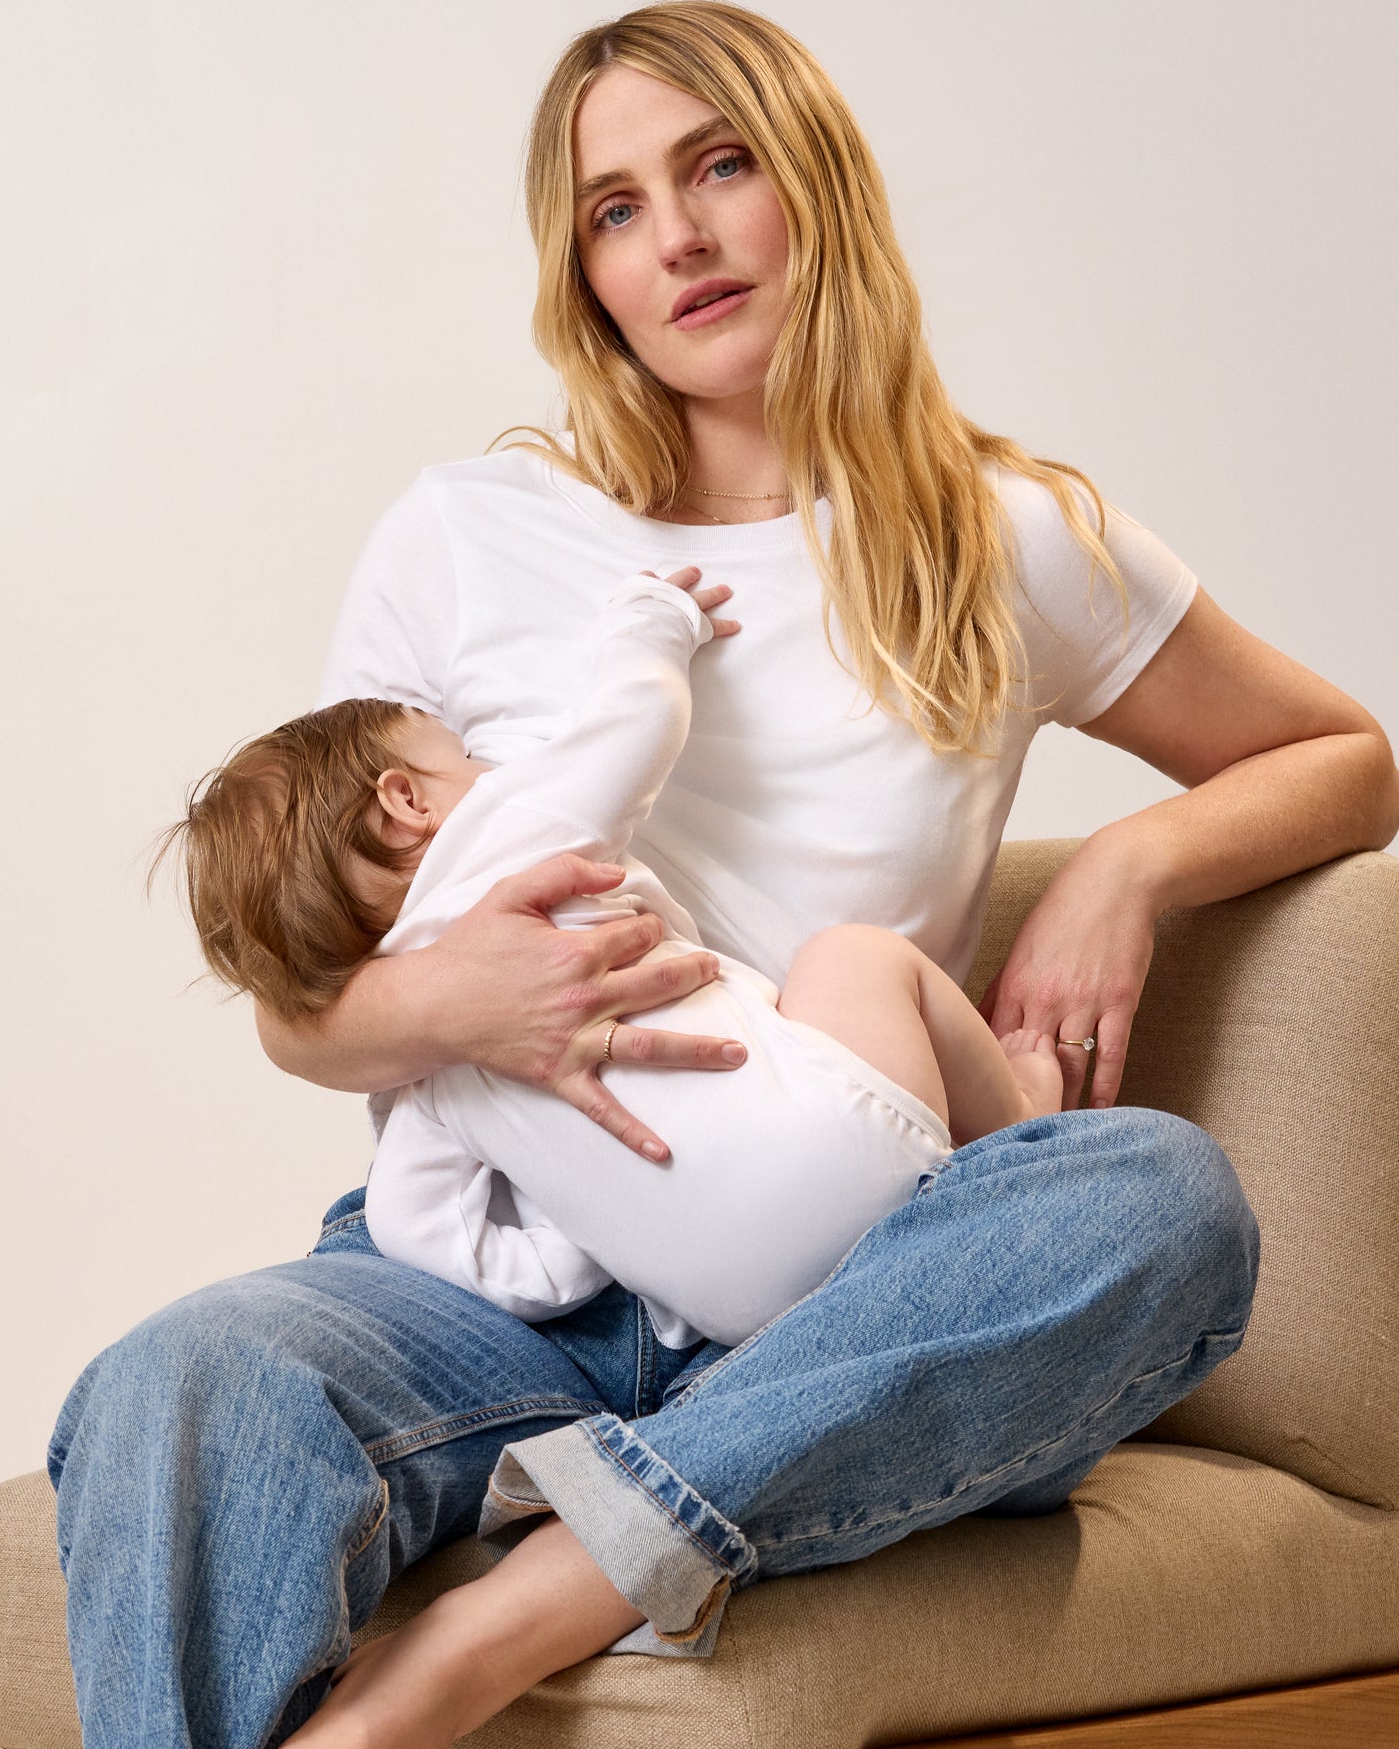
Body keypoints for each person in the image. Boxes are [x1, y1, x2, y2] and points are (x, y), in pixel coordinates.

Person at [45, 1, 1397, 1749]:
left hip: (837, 1296)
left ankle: (462, 1658)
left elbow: (1346, 759)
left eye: (719, 166)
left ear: (813, 183)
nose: (674, 238)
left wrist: (1125, 868)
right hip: (497, 1285)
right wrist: (463, 1003)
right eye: (613, 209)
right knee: (180, 1382)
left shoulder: (1006, 537)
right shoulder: (469, 533)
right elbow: (305, 1002)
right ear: (583, 273)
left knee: (1158, 1203)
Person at [164, 564, 1065, 1352]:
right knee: (854, 954)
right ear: (406, 800)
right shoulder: (506, 840)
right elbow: (637, 721)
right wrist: (650, 621)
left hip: (729, 1304)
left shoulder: (420, 1089)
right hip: (849, 1158)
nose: (485, 766)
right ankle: (1022, 1112)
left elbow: (413, 1225)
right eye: (464, 754)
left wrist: (580, 1248)